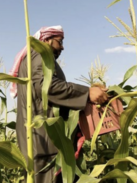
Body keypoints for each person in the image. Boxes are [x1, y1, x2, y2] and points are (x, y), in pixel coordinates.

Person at [10, 25, 108, 182]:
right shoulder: (39, 54)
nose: (62, 47)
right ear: (47, 40)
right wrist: (86, 93)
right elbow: (45, 86)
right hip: (45, 141)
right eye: (60, 41)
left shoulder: (39, 58)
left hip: (44, 139)